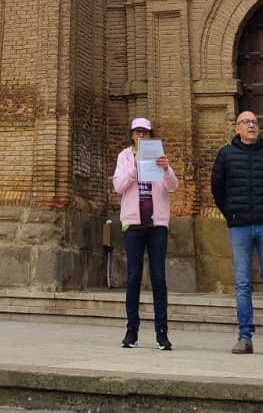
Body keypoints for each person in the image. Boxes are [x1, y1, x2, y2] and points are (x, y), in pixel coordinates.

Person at [211, 110, 263, 357]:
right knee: (242, 283)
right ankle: (244, 337)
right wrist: (231, 214)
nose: (251, 125)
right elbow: (216, 188)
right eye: (246, 122)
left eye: (255, 122)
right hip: (240, 227)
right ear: (237, 128)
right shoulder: (226, 155)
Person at [112, 116, 179, 351]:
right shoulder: (124, 157)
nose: (141, 136)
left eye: (145, 132)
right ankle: (132, 331)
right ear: (131, 135)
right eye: (137, 132)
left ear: (150, 135)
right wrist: (135, 165)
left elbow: (173, 186)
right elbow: (119, 186)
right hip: (133, 222)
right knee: (133, 277)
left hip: (156, 222)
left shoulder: (158, 156)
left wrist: (166, 168)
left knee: (158, 277)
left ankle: (162, 333)